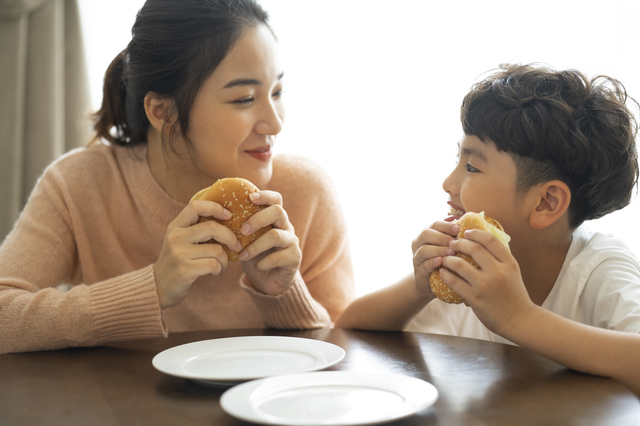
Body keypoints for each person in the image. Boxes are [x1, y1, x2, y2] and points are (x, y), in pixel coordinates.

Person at [0, 0, 355, 354]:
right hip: (121, 408)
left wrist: (282, 293)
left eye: (276, 92)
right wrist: (151, 288)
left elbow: (346, 355)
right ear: (162, 112)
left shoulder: (306, 191)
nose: (275, 123)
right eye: (245, 99)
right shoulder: (80, 184)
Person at [336, 63, 640, 394]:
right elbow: (349, 332)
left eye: (471, 167)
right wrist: (418, 288)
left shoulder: (600, 269)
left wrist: (518, 317)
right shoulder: (468, 266)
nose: (448, 183)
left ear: (546, 203)